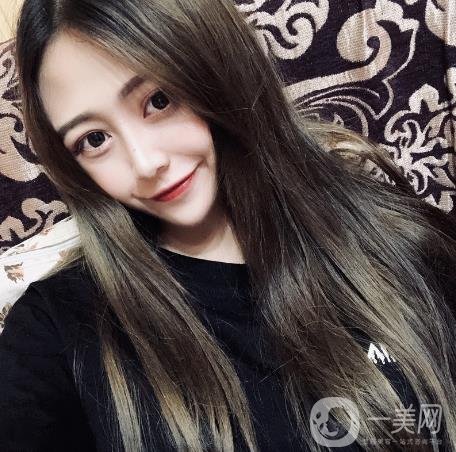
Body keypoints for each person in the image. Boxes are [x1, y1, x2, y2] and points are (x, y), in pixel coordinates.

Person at [1, 0, 455, 450]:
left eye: (159, 100)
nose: (145, 163)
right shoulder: (57, 331)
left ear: (217, 66)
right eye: (94, 139)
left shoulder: (390, 231)